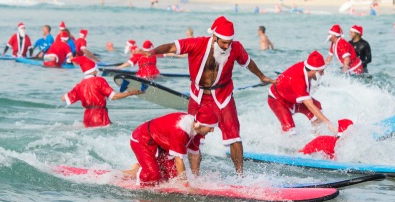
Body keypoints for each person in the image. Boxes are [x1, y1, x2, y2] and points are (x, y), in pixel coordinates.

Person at [138, 16, 275, 175]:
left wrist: (261, 76)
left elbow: (248, 62)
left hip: (223, 96)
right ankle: (195, 175)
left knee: (234, 136)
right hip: (198, 96)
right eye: (223, 42)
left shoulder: (235, 47)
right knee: (191, 134)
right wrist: (153, 52)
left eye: (229, 42)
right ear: (214, 36)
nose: (226, 46)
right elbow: (171, 47)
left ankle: (240, 175)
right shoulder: (198, 44)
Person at [125, 106, 218, 186]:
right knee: (153, 176)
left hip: (161, 144)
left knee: (172, 178)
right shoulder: (181, 129)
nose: (212, 131)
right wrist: (186, 185)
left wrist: (196, 181)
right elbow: (178, 159)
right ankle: (122, 174)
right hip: (142, 138)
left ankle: (139, 168)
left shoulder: (197, 129)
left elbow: (194, 156)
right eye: (211, 127)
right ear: (200, 125)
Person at [267, 51, 335, 135]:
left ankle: (317, 137)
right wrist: (328, 124)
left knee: (317, 107)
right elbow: (310, 105)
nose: (323, 73)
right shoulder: (299, 81)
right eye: (321, 71)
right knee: (290, 132)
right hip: (277, 99)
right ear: (314, 71)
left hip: (291, 96)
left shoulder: (307, 67)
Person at [62, 56, 140, 128]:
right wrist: (130, 93)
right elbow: (113, 96)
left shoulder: (79, 85)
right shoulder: (99, 80)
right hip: (99, 116)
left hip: (87, 118)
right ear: (94, 70)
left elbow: (63, 98)